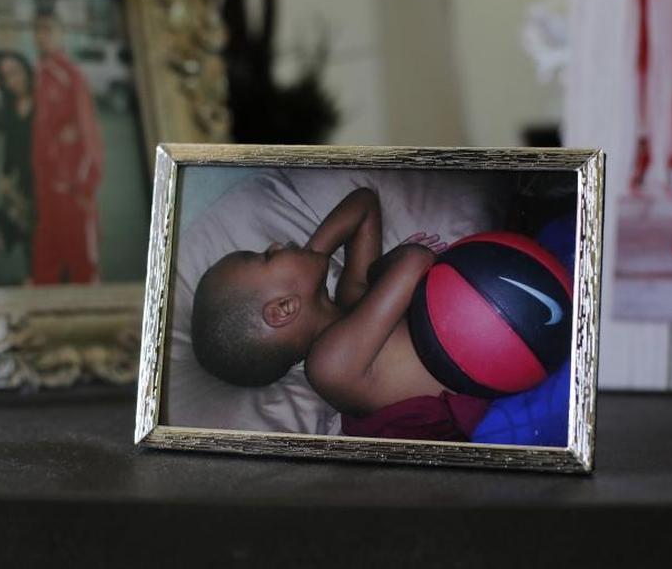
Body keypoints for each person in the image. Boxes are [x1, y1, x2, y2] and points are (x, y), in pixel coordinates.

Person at [190, 187, 498, 441]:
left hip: (495, 339)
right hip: (493, 392)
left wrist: (311, 259)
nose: (274, 244)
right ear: (284, 309)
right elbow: (416, 261)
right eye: (268, 257)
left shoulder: (352, 299)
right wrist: (381, 268)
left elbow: (363, 203)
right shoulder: (328, 366)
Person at [30, 10, 105, 285]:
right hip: (47, 187)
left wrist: (85, 183)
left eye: (48, 30)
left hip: (72, 188)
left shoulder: (71, 76)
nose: (42, 37)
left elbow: (89, 134)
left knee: (82, 261)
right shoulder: (39, 74)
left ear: (61, 35)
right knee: (47, 259)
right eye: (38, 31)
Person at [0, 52, 35, 279]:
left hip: (49, 176)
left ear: (26, 70)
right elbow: (10, 144)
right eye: (5, 77)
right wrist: (5, 176)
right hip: (25, 179)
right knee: (27, 226)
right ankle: (34, 273)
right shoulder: (10, 105)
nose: (11, 81)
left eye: (15, 73)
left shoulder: (44, 100)